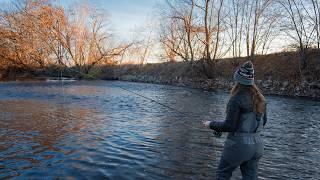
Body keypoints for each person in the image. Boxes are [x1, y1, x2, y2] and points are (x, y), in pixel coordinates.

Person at [203, 61, 267, 180]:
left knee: (223, 174)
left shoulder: (236, 99)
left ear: (238, 80)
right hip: (257, 146)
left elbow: (229, 126)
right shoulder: (261, 99)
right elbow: (263, 122)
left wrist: (210, 124)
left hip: (239, 146)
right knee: (251, 177)